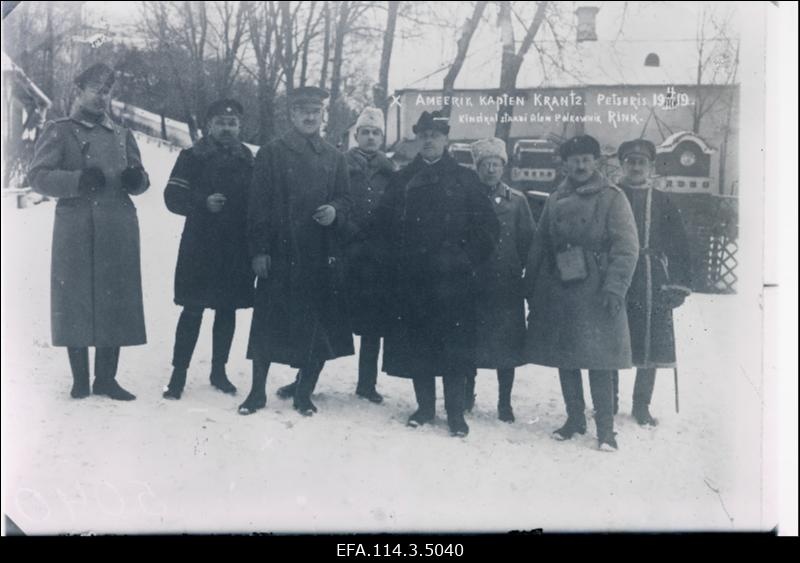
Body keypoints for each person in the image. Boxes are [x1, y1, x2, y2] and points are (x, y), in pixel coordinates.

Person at [371, 110, 499, 437]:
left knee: (454, 349)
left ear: (446, 140)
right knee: (418, 346)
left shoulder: (465, 180)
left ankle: (456, 413)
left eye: (436, 135)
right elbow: (381, 229)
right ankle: (425, 407)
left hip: (453, 282)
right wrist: (394, 264)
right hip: (412, 281)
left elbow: (488, 229)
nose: (429, 140)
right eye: (424, 134)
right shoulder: (402, 180)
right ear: (417, 139)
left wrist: (464, 259)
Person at [28, 62, 149, 401]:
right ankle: (80, 379)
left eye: (107, 90)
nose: (102, 96)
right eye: (95, 89)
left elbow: (141, 176)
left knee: (116, 299)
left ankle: (106, 379)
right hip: (76, 227)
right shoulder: (59, 130)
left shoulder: (123, 134)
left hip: (118, 227)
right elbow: (37, 175)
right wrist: (77, 181)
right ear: (78, 91)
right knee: (75, 299)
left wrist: (136, 180)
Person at [240, 86, 353, 416]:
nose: (309, 116)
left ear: (322, 116)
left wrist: (334, 210)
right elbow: (257, 206)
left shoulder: (334, 157)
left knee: (316, 328)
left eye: (315, 111)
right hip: (280, 254)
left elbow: (346, 199)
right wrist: (258, 251)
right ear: (291, 114)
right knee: (267, 326)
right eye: (302, 110)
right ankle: (257, 393)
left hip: (319, 256)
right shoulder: (272, 153)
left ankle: (304, 393)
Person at [524, 134, 639, 451]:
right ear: (565, 164)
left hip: (596, 289)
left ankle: (606, 430)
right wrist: (531, 286)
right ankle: (575, 419)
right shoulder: (554, 198)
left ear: (596, 162)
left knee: (599, 360)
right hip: (560, 285)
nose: (580, 165)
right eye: (574, 160)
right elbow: (540, 244)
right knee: (566, 357)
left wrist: (615, 288)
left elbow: (627, 248)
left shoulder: (612, 197)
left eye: (587, 159)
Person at [162, 99, 255, 400]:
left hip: (235, 247)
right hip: (200, 246)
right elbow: (172, 196)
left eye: (232, 123)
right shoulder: (192, 156)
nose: (227, 128)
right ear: (209, 126)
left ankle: (219, 370)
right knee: (193, 309)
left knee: (227, 310)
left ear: (240, 127)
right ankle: (178, 374)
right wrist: (202, 203)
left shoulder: (249, 159)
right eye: (220, 123)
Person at [612, 139, 692, 426]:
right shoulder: (612, 195)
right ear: (623, 165)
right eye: (630, 162)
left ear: (651, 167)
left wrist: (679, 285)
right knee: (613, 336)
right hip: (617, 274)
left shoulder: (662, 200)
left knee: (651, 342)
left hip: (651, 277)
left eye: (641, 162)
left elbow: (680, 245)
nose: (635, 167)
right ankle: (608, 400)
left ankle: (641, 405)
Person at [465, 138, 536, 423]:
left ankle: (504, 402)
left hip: (506, 285)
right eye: (485, 164)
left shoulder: (517, 202)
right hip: (472, 284)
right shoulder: (465, 197)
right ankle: (466, 395)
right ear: (477, 168)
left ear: (503, 167)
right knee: (469, 342)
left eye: (496, 164)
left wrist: (524, 277)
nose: (491, 169)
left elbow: (529, 243)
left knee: (507, 348)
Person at [340, 107, 396, 403]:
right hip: (345, 250)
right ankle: (304, 379)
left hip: (376, 258)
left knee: (372, 324)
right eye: (366, 132)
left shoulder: (392, 172)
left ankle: (366, 383)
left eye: (376, 133)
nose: (371, 137)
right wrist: (348, 230)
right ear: (356, 135)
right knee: (329, 317)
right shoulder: (340, 164)